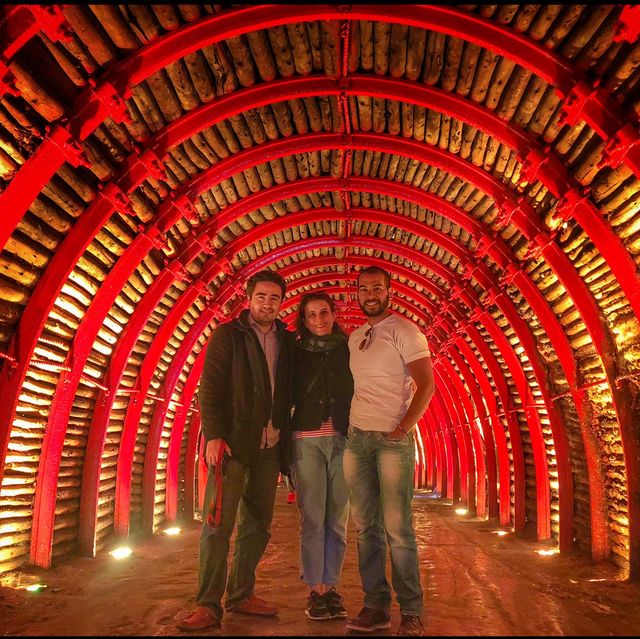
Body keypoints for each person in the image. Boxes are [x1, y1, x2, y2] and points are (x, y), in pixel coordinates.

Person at [177, 270, 294, 632]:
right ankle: (208, 604)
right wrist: (213, 435)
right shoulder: (229, 335)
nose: (268, 303)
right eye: (262, 296)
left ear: (281, 302)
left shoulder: (288, 342)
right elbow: (209, 388)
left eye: (274, 298)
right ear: (249, 298)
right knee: (217, 526)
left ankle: (241, 594)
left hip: (269, 448)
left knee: (257, 525)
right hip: (232, 447)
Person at [344, 266, 435, 637]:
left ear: (389, 291)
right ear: (358, 293)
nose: (370, 294)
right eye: (364, 288)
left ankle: (411, 611)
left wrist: (401, 429)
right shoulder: (355, 337)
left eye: (377, 288)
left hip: (391, 441)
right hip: (357, 439)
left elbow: (426, 384)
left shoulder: (404, 330)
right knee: (366, 528)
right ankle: (375, 605)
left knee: (398, 529)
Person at [287, 292, 353, 621]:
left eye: (323, 312)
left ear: (333, 313)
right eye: (311, 315)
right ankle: (315, 590)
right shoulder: (295, 352)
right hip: (306, 441)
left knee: (338, 519)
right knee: (312, 519)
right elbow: (281, 394)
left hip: (343, 439)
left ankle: (332, 585)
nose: (318, 320)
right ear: (304, 319)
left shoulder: (350, 348)